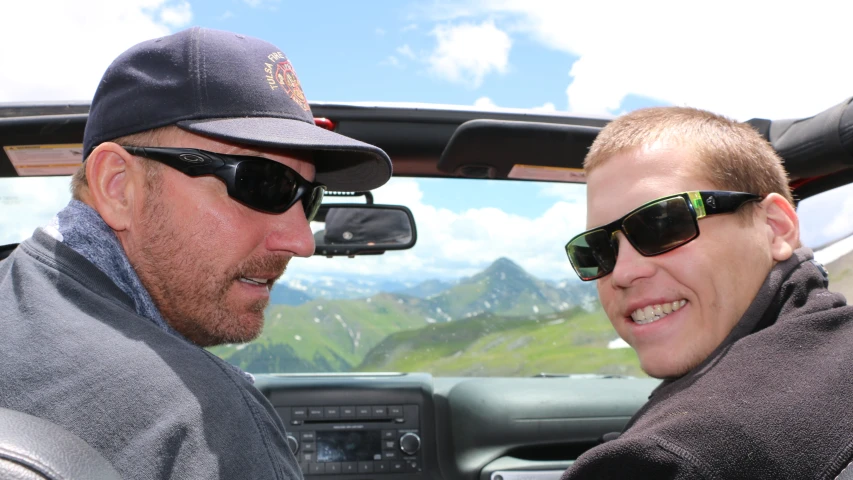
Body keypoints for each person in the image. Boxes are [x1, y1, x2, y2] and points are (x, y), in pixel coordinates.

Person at [0, 27, 391, 479]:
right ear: (118, 186)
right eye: (263, 183)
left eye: (308, 198)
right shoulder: (204, 421)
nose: (302, 241)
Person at [562, 107, 853, 479]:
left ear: (776, 229)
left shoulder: (664, 461)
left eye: (661, 224)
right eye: (598, 250)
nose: (622, 272)